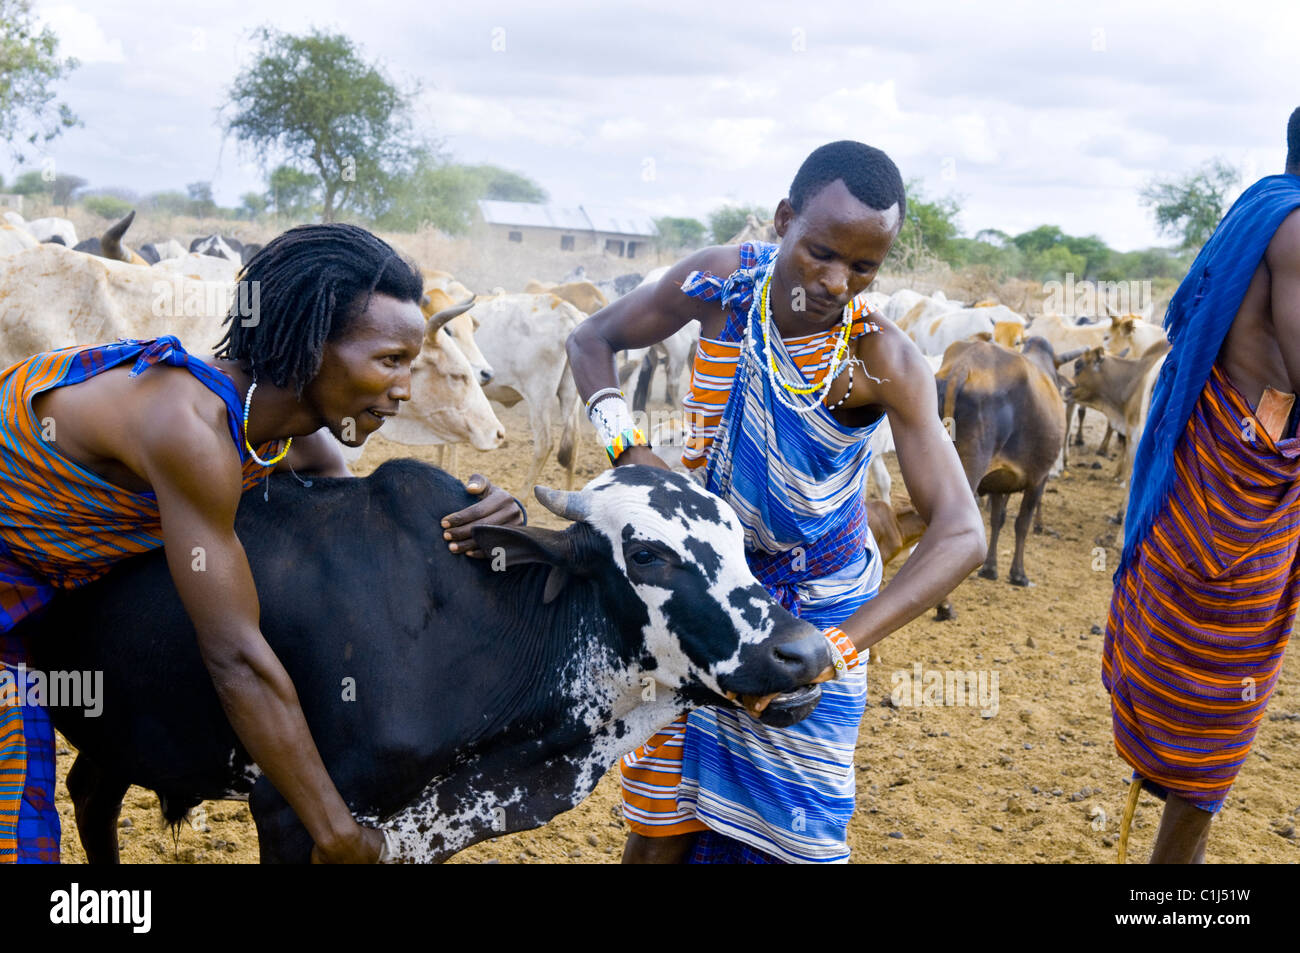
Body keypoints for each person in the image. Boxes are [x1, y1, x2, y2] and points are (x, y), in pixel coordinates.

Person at [0, 223, 523, 864]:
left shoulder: (287, 434)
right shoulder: (188, 427)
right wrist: (337, 834)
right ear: (309, 349)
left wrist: (483, 516)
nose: (405, 388)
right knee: (17, 817)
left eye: (409, 364)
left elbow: (351, 525)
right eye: (390, 361)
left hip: (50, 584)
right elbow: (234, 656)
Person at [566, 140, 986, 863]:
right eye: (820, 251)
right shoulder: (721, 284)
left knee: (794, 840)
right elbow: (591, 338)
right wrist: (625, 452)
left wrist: (837, 647)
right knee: (662, 822)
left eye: (862, 267)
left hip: (812, 610)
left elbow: (961, 534)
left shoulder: (880, 359)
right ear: (783, 219)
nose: (834, 281)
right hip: (701, 594)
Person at [1105, 109, 1300, 863]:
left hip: (1226, 483)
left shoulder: (1262, 209)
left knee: (1207, 701)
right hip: (1235, 512)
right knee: (1215, 697)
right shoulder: (1292, 226)